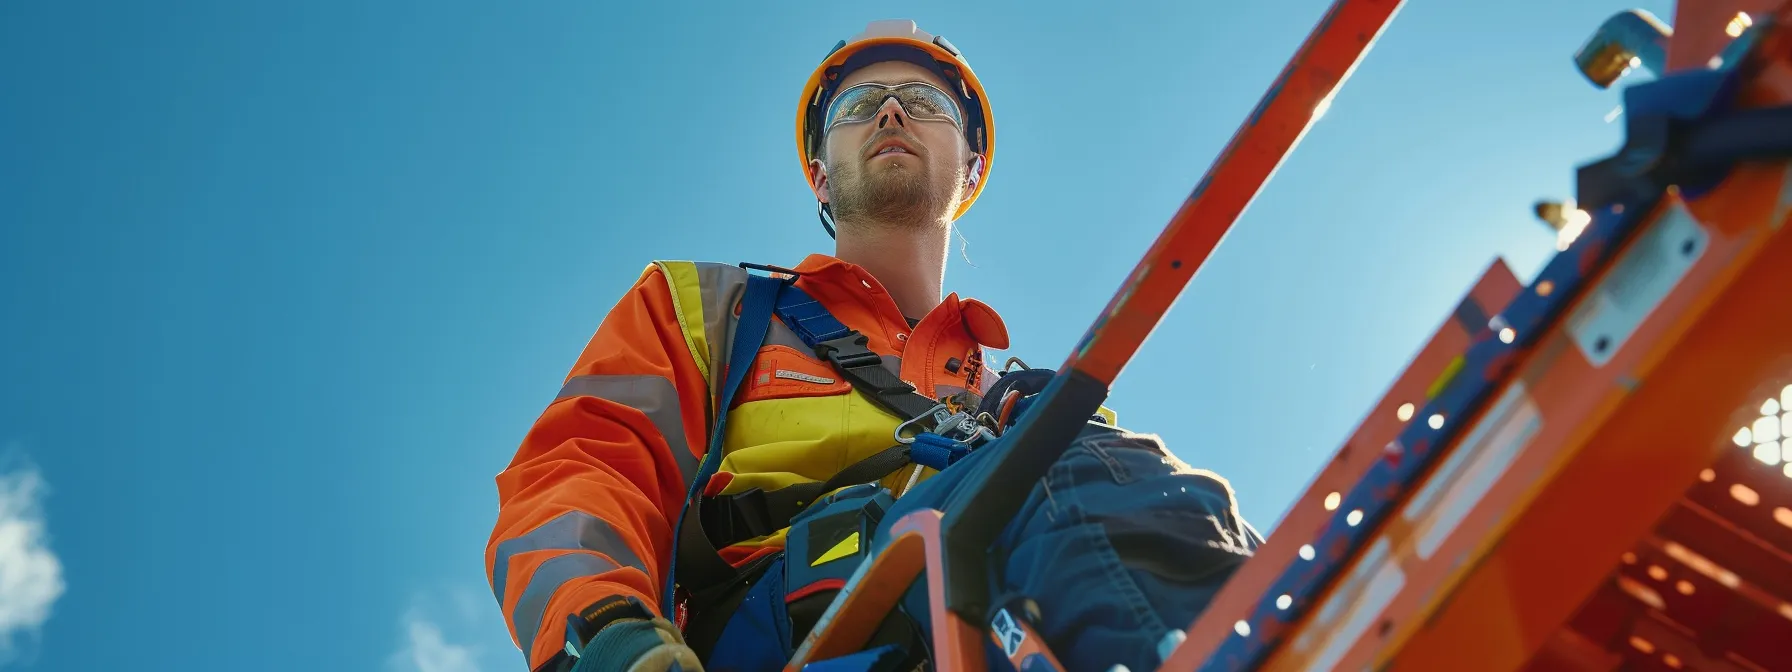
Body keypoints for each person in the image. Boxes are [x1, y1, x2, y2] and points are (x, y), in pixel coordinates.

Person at [485, 20, 1262, 672]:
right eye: (860, 105)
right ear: (821, 178)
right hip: (801, 633)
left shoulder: (1020, 399)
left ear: (971, 168)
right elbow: (580, 472)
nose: (891, 113)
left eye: (921, 102)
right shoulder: (711, 309)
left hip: (992, 616)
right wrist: (608, 632)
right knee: (1066, 473)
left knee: (1113, 471)